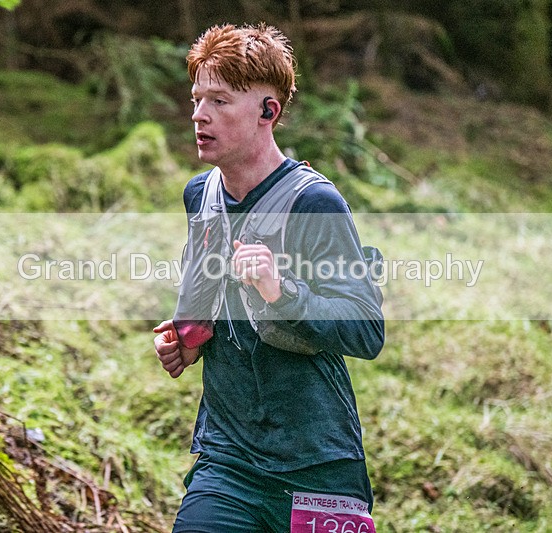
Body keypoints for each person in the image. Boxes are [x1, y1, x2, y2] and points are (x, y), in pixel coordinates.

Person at [153, 23, 385, 533]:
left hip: (317, 466)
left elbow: (367, 331)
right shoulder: (200, 195)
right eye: (196, 98)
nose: (199, 114)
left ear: (268, 111)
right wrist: (189, 339)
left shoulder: (315, 203)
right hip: (227, 461)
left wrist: (282, 291)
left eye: (219, 99)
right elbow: (210, 292)